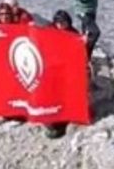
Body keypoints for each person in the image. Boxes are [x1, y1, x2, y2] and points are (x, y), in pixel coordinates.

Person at [45, 10, 80, 139]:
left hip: (66, 72)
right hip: (51, 71)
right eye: (58, 23)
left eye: (63, 22)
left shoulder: (73, 34)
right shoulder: (48, 32)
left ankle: (64, 121)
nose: (61, 25)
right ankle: (52, 124)